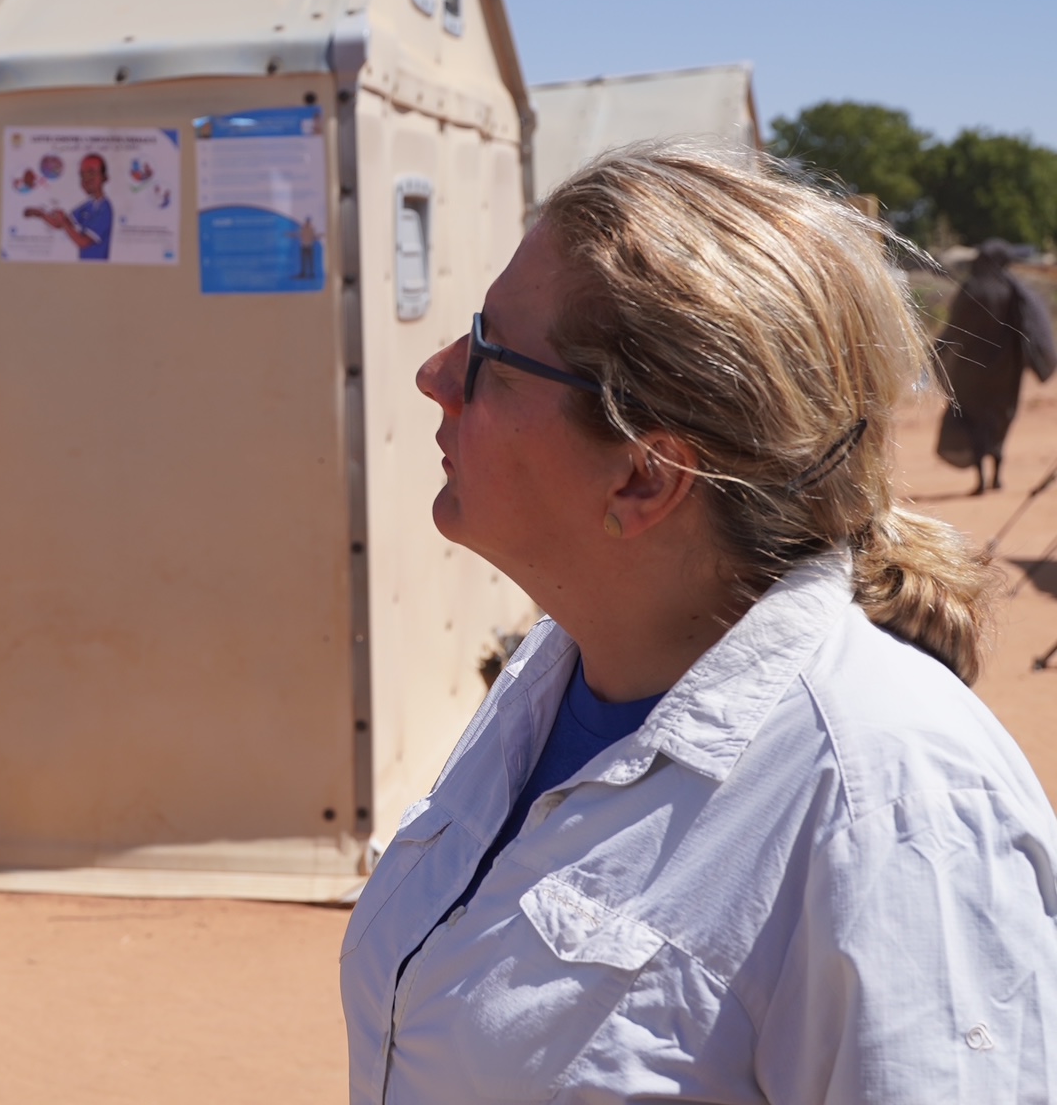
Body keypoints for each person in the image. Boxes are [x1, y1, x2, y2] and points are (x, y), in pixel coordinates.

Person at [342, 143, 1057, 1102]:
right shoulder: (561, 674)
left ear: (643, 474)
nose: (437, 373)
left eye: (490, 353)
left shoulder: (887, 806)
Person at [934, 237, 1055, 493]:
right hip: (1006, 372)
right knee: (999, 419)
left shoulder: (971, 289)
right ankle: (997, 476)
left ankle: (980, 479)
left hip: (971, 372)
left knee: (973, 420)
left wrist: (936, 352)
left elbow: (953, 330)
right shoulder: (1011, 290)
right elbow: (1028, 328)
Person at [23, 152, 113, 259]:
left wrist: (64, 223)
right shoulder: (88, 205)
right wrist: (41, 214)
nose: (86, 179)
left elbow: (82, 242)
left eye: (91, 173)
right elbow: (61, 223)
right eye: (82, 175)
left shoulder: (104, 209)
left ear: (104, 177)